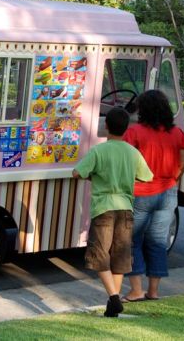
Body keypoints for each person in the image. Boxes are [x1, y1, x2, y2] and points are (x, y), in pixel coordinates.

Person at [73, 107, 153, 317]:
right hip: (125, 208)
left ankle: (115, 299)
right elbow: (147, 176)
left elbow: (77, 172)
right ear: (127, 129)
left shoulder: (99, 151)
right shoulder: (132, 152)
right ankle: (112, 304)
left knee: (100, 255)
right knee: (119, 257)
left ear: (106, 126)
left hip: (104, 209)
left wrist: (94, 177)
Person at [121, 90, 184, 302]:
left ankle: (135, 290)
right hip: (168, 192)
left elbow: (125, 162)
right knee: (158, 242)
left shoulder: (134, 133)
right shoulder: (177, 133)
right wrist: (173, 178)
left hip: (141, 192)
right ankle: (153, 290)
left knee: (132, 241)